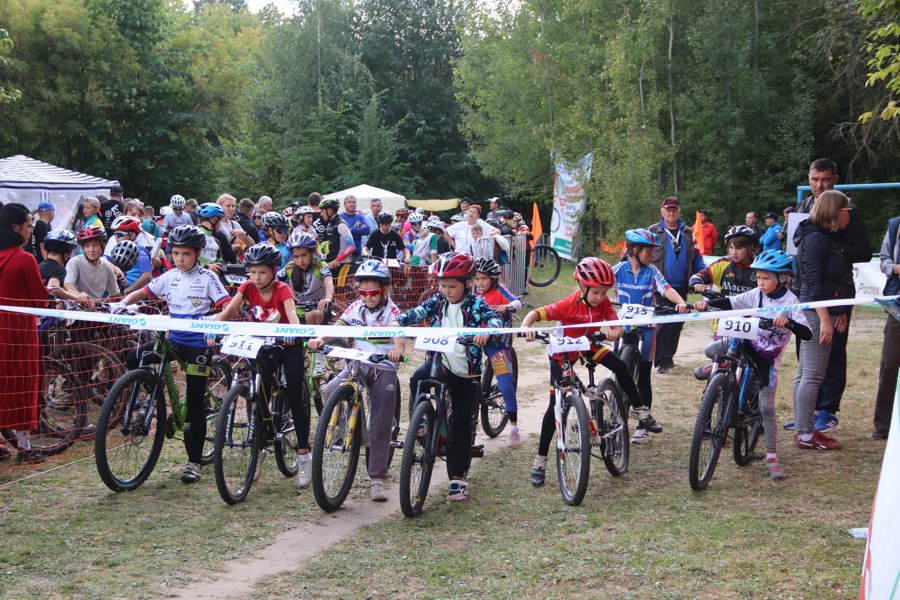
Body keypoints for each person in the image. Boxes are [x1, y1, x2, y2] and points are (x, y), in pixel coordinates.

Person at [522, 257, 656, 484]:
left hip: (589, 345)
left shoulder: (603, 304)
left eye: (605, 292)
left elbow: (617, 325)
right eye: (596, 292)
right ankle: (540, 460)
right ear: (582, 287)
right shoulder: (568, 304)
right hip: (563, 352)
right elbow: (536, 313)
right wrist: (526, 327)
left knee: (620, 366)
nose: (601, 298)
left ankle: (641, 409)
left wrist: (616, 331)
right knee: (553, 405)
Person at [115, 225, 231, 483]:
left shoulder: (208, 277)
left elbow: (226, 304)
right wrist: (122, 303)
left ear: (198, 253)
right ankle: (150, 395)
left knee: (194, 402)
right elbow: (143, 292)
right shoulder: (169, 275)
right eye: (175, 253)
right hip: (174, 340)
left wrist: (216, 322)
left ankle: (193, 462)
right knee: (135, 357)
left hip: (198, 345)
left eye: (186, 254)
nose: (180, 258)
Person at [390, 252, 501, 502]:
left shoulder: (477, 304)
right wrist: (397, 320)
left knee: (461, 423)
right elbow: (414, 313)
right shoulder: (437, 301)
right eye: (442, 286)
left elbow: (494, 320)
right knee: (417, 379)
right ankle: (421, 423)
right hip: (440, 362)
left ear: (467, 283)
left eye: (452, 286)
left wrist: (486, 332)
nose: (447, 291)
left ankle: (458, 478)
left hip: (466, 369)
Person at [693, 250, 812, 480]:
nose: (760, 283)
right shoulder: (756, 293)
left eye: (765, 278)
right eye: (758, 278)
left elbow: (807, 333)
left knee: (767, 407)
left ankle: (771, 456)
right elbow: (730, 302)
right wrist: (705, 304)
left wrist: (788, 322)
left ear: (782, 278)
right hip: (745, 340)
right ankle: (716, 369)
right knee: (711, 349)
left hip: (766, 358)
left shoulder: (791, 301)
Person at [212, 243, 311, 486]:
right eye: (252, 272)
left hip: (288, 345)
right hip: (262, 346)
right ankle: (259, 448)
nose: (256, 277)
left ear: (273, 271)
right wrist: (212, 327)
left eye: (262, 272)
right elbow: (231, 310)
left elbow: (293, 315)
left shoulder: (283, 289)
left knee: (294, 395)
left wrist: (293, 333)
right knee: (258, 397)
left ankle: (304, 453)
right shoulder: (246, 287)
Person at [308, 259, 405, 501]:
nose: (368, 297)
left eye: (373, 292)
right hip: (358, 362)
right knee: (331, 389)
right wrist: (320, 338)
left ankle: (377, 478)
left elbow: (398, 330)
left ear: (384, 290)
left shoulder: (391, 310)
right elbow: (340, 326)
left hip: (383, 367)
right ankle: (345, 428)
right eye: (363, 292)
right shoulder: (356, 307)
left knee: (380, 424)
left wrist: (398, 350)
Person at [793, 158, 871, 433]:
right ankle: (806, 414)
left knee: (834, 351)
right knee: (806, 353)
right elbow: (797, 251)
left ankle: (827, 410)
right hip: (808, 292)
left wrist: (835, 252)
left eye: (825, 179)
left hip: (836, 292)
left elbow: (864, 250)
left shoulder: (848, 211)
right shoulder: (803, 210)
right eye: (815, 180)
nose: (819, 185)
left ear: (834, 179)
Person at [611, 229, 691, 442]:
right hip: (624, 328)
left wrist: (680, 302)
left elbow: (666, 289)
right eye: (649, 250)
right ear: (635, 250)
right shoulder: (618, 269)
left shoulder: (652, 271)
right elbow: (601, 282)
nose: (652, 255)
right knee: (618, 370)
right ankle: (612, 416)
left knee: (644, 375)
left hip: (647, 328)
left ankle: (642, 426)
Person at [791, 190, 854, 451]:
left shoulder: (823, 237)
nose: (849, 215)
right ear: (834, 211)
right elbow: (813, 284)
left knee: (805, 373)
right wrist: (826, 319)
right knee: (812, 375)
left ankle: (803, 428)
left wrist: (837, 312)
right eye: (846, 211)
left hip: (820, 312)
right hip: (815, 314)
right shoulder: (816, 239)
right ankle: (806, 433)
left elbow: (830, 282)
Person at [0, 203, 49, 463]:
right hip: (19, 331)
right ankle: (24, 447)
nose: (32, 230)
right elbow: (40, 301)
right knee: (22, 386)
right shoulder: (24, 259)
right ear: (15, 227)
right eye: (29, 225)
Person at [648, 196, 705, 373]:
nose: (671, 212)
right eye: (668, 209)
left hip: (681, 287)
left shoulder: (688, 233)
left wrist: (702, 277)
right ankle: (662, 360)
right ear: (662, 211)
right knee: (664, 323)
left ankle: (668, 358)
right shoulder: (653, 231)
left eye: (674, 209)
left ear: (679, 211)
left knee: (677, 323)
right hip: (660, 286)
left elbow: (698, 259)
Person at [473, 257, 523, 444]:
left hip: (497, 344)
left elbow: (517, 304)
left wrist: (507, 307)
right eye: (476, 279)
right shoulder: (474, 296)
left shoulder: (500, 291)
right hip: (476, 341)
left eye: (483, 279)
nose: (479, 283)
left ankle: (514, 426)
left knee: (506, 384)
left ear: (493, 279)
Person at [874, 214, 900, 439]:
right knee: (889, 363)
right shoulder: (895, 226)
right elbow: (884, 261)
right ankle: (883, 425)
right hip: (897, 306)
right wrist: (896, 269)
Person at [280, 230, 334, 325]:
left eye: (304, 255)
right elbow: (274, 282)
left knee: (310, 315)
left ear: (312, 253)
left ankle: (312, 339)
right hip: (295, 311)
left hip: (318, 309)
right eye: (296, 257)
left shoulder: (321, 265)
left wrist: (328, 298)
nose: (300, 260)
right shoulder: (289, 267)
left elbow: (329, 282)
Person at [689, 225, 758, 297]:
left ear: (751, 246)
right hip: (724, 307)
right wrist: (696, 283)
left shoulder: (759, 267)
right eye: (731, 248)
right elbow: (697, 277)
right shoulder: (722, 263)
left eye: (739, 248)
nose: (734, 252)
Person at [64, 226, 120, 301]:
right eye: (87, 246)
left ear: (103, 246)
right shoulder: (75, 262)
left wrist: (102, 305)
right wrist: (81, 298)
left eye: (95, 245)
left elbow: (115, 294)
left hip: (95, 311)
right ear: (82, 248)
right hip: (75, 309)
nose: (91, 250)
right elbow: (68, 285)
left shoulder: (106, 267)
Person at [38, 230, 88, 302]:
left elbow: (63, 288)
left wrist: (78, 295)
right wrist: (78, 298)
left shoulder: (40, 265)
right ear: (68, 254)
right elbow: (53, 288)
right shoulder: (59, 269)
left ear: (46, 252)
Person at [110, 216, 152, 295]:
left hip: (137, 293)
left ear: (132, 235)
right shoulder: (118, 249)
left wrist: (129, 290)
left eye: (119, 234)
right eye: (114, 235)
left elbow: (147, 275)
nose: (116, 238)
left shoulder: (139, 249)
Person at [313, 198, 355, 271]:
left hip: (341, 264)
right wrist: (327, 255)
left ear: (329, 211)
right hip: (332, 263)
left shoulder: (341, 225)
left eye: (322, 211)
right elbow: (335, 246)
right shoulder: (330, 224)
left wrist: (337, 260)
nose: (321, 214)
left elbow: (352, 247)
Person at [196, 202, 236, 274]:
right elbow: (187, 263)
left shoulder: (216, 241)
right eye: (220, 221)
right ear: (214, 220)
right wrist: (207, 267)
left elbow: (219, 265)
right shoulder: (194, 237)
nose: (220, 225)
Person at [339, 195, 370, 262]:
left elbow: (367, 230)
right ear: (344, 204)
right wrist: (359, 230)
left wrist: (350, 230)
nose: (352, 204)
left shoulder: (360, 216)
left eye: (354, 202)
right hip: (344, 254)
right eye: (349, 202)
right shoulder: (340, 217)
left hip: (357, 254)